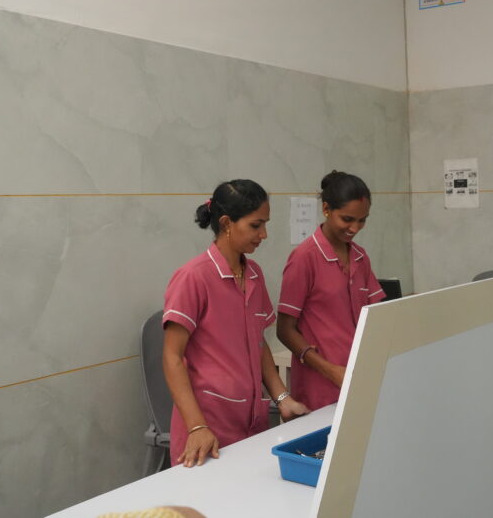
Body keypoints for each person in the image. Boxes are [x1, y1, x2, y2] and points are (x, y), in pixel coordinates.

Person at [162, 179, 309, 468]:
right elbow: (172, 357)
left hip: (251, 424)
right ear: (227, 223)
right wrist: (196, 426)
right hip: (206, 429)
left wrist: (282, 398)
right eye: (256, 225)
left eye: (265, 224)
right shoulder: (193, 277)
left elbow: (258, 343)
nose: (264, 234)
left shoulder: (254, 274)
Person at [276, 171, 386, 411]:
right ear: (326, 209)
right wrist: (329, 370)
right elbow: (284, 330)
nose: (355, 228)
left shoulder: (360, 257)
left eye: (362, 220)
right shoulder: (304, 258)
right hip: (320, 387)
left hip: (359, 380)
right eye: (347, 219)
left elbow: (376, 316)